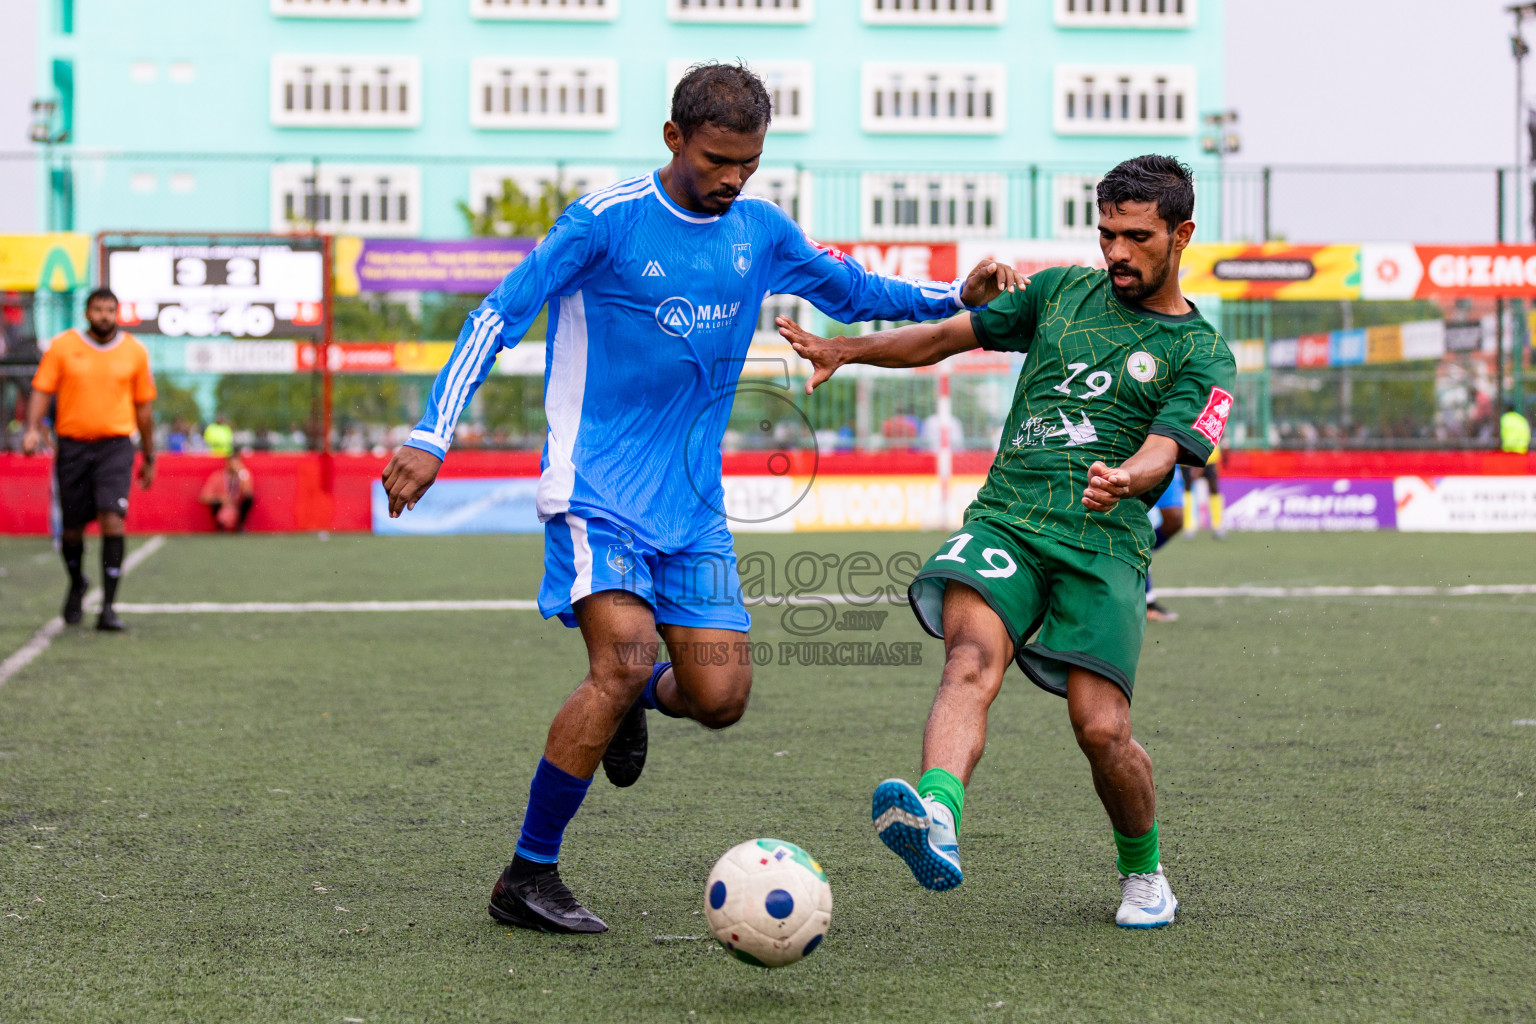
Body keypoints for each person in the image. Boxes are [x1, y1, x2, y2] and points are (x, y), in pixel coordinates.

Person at [378, 61, 1019, 935]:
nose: (732, 178)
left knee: (720, 699)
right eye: (719, 159)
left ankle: (632, 704)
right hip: (594, 486)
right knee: (622, 661)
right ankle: (526, 876)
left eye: (748, 164)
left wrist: (955, 298)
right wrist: (430, 434)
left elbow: (856, 293)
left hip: (693, 507)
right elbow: (499, 312)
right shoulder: (602, 223)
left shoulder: (759, 229)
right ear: (675, 137)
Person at [780, 155, 1236, 929]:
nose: (1116, 253)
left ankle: (1144, 874)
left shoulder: (1202, 352)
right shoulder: (1059, 293)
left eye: (1136, 237)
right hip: (1009, 520)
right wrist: (845, 349)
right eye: (1106, 234)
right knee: (969, 660)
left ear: (1182, 234)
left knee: (1103, 729)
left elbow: (1170, 450)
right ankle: (937, 813)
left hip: (1103, 542)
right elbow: (947, 338)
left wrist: (1126, 478)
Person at [22, 287, 157, 631]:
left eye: (110, 310)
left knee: (113, 518)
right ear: (87, 312)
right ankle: (77, 582)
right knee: (72, 529)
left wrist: (150, 454)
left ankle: (109, 607)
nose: (104, 316)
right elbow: (41, 389)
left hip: (116, 446)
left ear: (117, 313)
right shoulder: (63, 346)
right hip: (73, 447)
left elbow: (144, 408)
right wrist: (32, 428)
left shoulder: (134, 352)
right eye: (98, 309)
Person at [1145, 466, 1184, 622]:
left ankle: (1141, 551)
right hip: (1132, 451)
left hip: (1168, 451)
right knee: (1136, 521)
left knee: (1175, 518)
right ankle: (1148, 602)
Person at [199, 451, 255, 531]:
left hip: (237, 506)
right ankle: (220, 526)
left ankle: (240, 525)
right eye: (231, 462)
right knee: (215, 503)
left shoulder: (244, 475)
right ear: (227, 463)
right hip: (222, 506)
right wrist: (221, 499)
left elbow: (247, 493)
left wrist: (241, 474)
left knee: (248, 500)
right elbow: (204, 497)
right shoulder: (217, 476)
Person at [1182, 443, 1226, 539]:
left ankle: (1217, 525)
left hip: (1210, 456)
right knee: (1187, 488)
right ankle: (1188, 526)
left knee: (1214, 488)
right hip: (1187, 457)